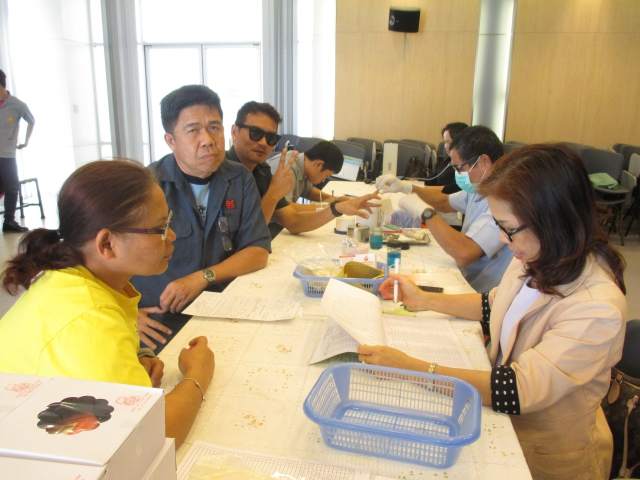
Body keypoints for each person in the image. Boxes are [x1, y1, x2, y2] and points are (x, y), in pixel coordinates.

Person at [360, 144, 627, 480]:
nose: (502, 237)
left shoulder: (597, 308)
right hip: (503, 422)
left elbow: (516, 389)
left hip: (548, 456)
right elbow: (493, 304)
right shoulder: (537, 254)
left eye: (508, 228)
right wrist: (422, 299)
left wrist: (411, 368)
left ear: (553, 220)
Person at [0, 160, 215, 448]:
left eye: (169, 221)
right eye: (160, 227)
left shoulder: (69, 277)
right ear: (107, 244)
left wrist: (131, 358)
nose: (172, 235)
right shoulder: (90, 319)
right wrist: (198, 372)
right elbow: (154, 436)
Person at [131, 86, 271, 350]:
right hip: (160, 323)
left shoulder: (240, 178)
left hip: (222, 310)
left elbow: (258, 251)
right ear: (171, 140)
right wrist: (122, 313)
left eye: (214, 127)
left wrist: (202, 277)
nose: (208, 139)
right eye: (193, 130)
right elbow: (97, 261)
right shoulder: (144, 185)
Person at [376, 125, 512, 292]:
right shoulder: (480, 187)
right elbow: (444, 202)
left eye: (459, 168)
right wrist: (406, 187)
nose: (457, 174)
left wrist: (426, 213)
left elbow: (464, 253)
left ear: (484, 161)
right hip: (466, 277)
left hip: (483, 291)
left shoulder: (505, 199)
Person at [226, 101, 380, 238]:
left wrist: (337, 207)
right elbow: (244, 237)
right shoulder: (219, 172)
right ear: (234, 132)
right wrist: (274, 193)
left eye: (271, 138)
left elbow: (293, 222)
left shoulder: (262, 172)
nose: (263, 143)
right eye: (255, 132)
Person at [0, 69, 35, 233]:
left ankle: (9, 222)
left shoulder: (17, 105)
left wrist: (25, 142)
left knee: (12, 188)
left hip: (7, 155)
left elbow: (31, 121)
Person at [266, 140, 344, 204]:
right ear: (319, 164)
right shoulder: (289, 169)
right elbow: (284, 209)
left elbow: (308, 192)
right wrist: (327, 207)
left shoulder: (304, 165)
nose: (323, 180)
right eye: (326, 175)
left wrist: (335, 199)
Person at [424, 121, 468, 193]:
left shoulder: (466, 165)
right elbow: (433, 177)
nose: (446, 146)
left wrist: (426, 189)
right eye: (445, 142)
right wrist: (415, 183)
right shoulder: (448, 160)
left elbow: (454, 189)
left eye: (449, 143)